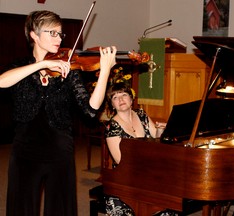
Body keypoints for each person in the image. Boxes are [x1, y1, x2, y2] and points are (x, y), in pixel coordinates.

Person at [0, 10, 116, 216]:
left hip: (59, 151)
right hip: (25, 151)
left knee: (60, 208)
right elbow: (2, 81)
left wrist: (105, 72)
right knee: (21, 208)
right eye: (52, 32)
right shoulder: (19, 67)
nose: (59, 38)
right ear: (34, 35)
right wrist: (42, 64)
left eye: (60, 33)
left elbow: (91, 110)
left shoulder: (68, 69)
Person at [105, 81, 166, 166]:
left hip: (149, 164)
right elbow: (120, 160)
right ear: (112, 105)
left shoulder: (141, 114)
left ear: (131, 99)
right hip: (127, 170)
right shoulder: (111, 127)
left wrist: (160, 129)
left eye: (124, 95)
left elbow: (157, 137)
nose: (120, 99)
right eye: (115, 97)